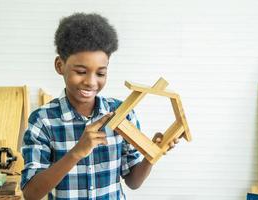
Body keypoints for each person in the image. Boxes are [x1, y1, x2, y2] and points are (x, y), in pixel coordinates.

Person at [20, 12, 178, 200]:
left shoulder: (122, 114)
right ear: (60, 65)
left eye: (101, 73)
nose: (91, 82)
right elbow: (31, 193)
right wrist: (77, 152)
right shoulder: (43, 120)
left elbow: (133, 182)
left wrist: (153, 154)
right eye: (81, 71)